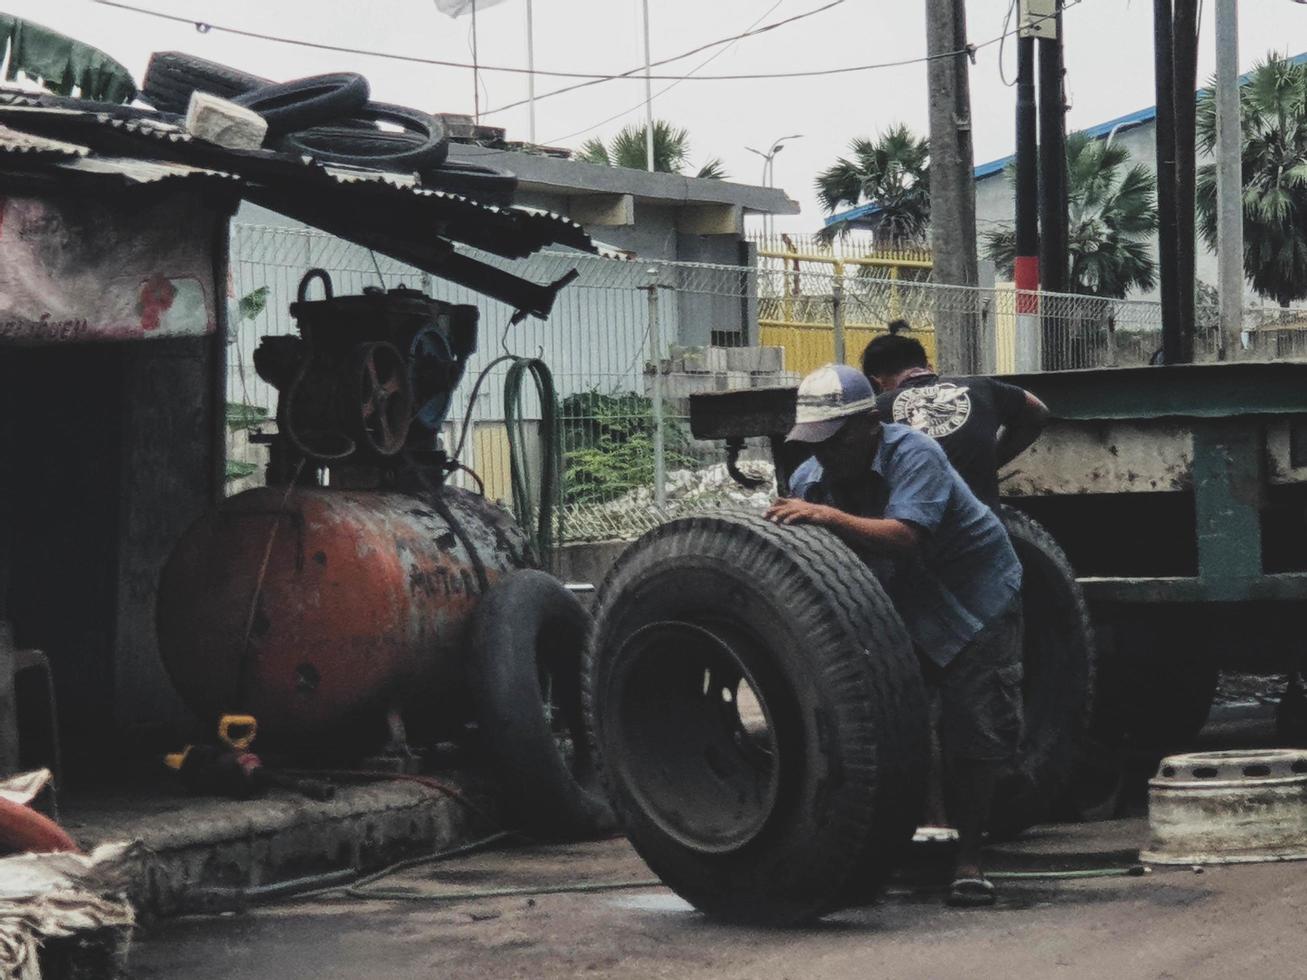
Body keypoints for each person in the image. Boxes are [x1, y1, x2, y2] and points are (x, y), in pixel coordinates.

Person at [765, 363, 1024, 908]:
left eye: (833, 441)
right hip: (902, 602)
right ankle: (931, 835)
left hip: (975, 597)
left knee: (973, 723)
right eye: (814, 443)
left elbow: (906, 535)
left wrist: (827, 518)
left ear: (866, 427)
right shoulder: (811, 481)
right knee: (904, 718)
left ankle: (970, 860)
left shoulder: (914, 454)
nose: (824, 455)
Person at [862, 327, 1049, 511]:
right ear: (929, 368)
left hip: (916, 534)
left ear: (876, 382)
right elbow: (1038, 411)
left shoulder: (875, 411)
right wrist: (992, 460)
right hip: (984, 535)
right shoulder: (982, 388)